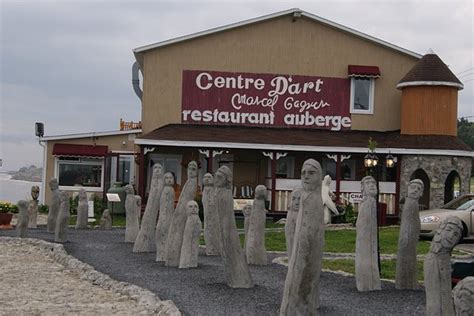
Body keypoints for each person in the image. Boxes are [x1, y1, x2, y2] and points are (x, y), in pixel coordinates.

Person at [424, 216, 463, 316]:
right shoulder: (432, 260)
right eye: (448, 230)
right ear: (440, 231)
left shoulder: (445, 259)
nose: (451, 236)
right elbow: (434, 300)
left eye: (455, 234)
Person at [355, 176, 381, 291]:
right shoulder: (366, 204)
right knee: (366, 258)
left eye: (373, 183)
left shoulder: (372, 203)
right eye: (368, 183)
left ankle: (372, 283)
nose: (371, 185)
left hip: (371, 239)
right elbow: (360, 223)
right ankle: (366, 282)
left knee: (371, 257)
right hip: (364, 239)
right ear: (363, 188)